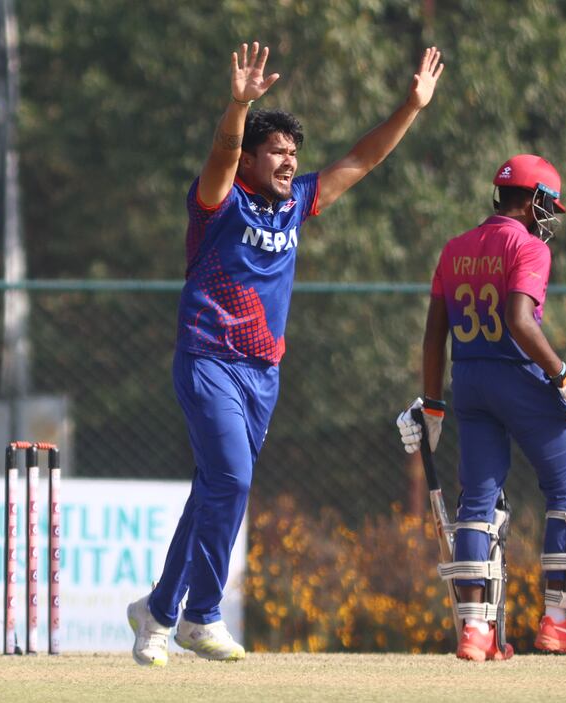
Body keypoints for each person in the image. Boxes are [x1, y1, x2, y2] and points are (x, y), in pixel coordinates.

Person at [127, 40, 444, 667]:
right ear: (248, 158)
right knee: (232, 480)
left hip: (264, 373)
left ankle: (158, 610)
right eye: (276, 150)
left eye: (293, 152)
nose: (288, 159)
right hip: (209, 356)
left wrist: (411, 106)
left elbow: (362, 159)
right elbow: (221, 152)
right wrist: (239, 105)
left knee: (216, 489)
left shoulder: (297, 200)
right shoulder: (219, 200)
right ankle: (199, 616)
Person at [396, 154, 566, 661]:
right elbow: (520, 319)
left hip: (469, 380)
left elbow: (435, 334)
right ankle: (561, 624)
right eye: (549, 206)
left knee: (477, 504)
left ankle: (475, 633)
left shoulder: (455, 249)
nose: (550, 217)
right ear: (535, 199)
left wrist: (433, 405)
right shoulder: (529, 246)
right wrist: (563, 376)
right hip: (520, 377)